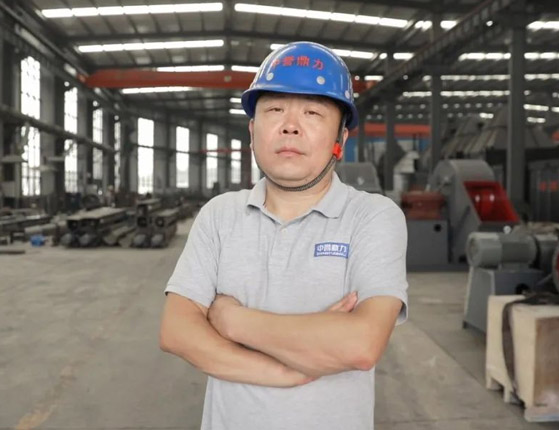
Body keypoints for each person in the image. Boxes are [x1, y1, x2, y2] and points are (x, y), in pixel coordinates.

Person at [160, 41, 408, 430]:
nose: (290, 125)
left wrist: (229, 318)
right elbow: (177, 332)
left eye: (313, 112)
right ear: (252, 130)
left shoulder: (372, 217)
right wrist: (283, 370)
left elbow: (361, 345)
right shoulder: (220, 215)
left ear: (341, 138)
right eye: (275, 110)